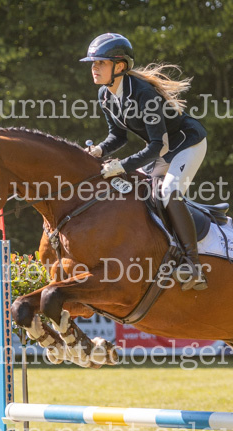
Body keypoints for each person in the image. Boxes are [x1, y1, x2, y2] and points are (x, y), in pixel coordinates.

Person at [81, 32, 208, 291]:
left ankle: (193, 264)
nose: (94, 68)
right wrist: (99, 150)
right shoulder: (105, 95)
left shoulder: (144, 93)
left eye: (101, 63)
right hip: (163, 149)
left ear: (119, 66)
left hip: (187, 143)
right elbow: (117, 136)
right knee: (134, 191)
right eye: (93, 63)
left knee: (168, 191)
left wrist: (122, 165)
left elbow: (156, 145)